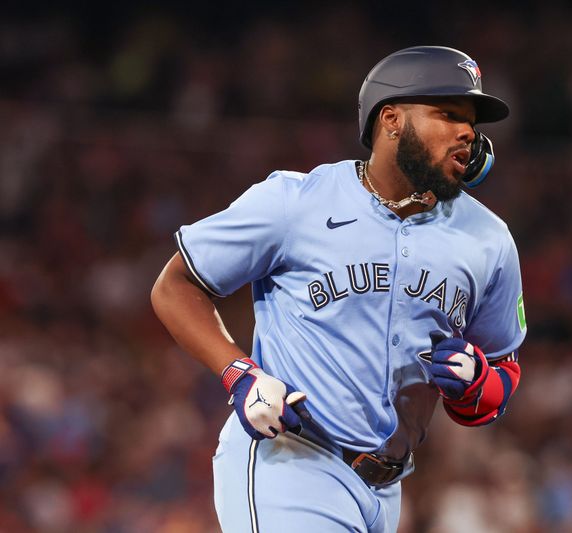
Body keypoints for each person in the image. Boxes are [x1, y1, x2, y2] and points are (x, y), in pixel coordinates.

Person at [151, 45, 526, 533]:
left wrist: (478, 385)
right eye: (447, 114)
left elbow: (503, 370)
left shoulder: (488, 239)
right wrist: (237, 373)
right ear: (391, 119)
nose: (467, 132)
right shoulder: (296, 203)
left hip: (387, 490)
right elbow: (174, 286)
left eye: (471, 121)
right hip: (291, 462)